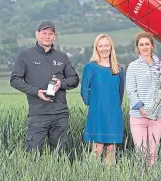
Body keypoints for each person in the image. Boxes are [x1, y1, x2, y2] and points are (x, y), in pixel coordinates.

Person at [10, 21, 79, 153]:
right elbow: (15, 80)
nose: (47, 36)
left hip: (60, 114)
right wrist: (36, 92)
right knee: (33, 154)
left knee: (61, 155)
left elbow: (74, 79)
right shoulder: (25, 56)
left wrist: (61, 83)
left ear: (54, 36)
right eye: (44, 33)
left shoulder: (62, 57)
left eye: (50, 34)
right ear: (37, 34)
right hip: (38, 114)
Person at [125, 32, 161, 167]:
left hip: (157, 116)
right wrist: (140, 108)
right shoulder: (133, 67)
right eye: (141, 44)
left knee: (153, 152)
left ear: (152, 45)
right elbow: (131, 90)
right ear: (137, 48)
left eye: (147, 44)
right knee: (141, 152)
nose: (144, 47)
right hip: (138, 116)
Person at [80, 34, 124, 165]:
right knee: (97, 148)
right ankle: (91, 175)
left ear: (111, 47)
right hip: (97, 113)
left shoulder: (118, 69)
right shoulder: (90, 67)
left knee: (111, 148)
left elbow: (120, 92)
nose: (104, 48)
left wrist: (115, 107)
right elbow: (84, 91)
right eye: (101, 46)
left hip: (114, 114)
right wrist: (93, 106)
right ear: (96, 48)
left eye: (106, 45)